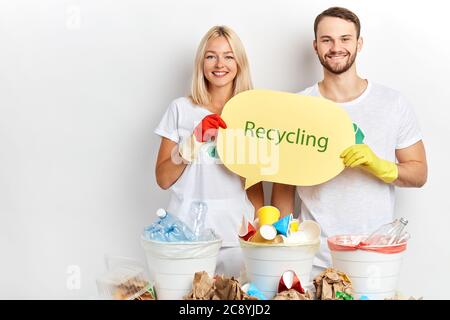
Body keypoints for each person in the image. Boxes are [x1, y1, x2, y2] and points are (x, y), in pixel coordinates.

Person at [272, 7, 428, 275]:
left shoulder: (392, 103)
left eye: (345, 39)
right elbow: (283, 187)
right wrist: (282, 246)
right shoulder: (297, 107)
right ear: (315, 46)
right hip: (313, 257)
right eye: (327, 40)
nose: (336, 47)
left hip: (375, 255)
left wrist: (382, 166)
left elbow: (419, 173)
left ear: (359, 43)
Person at [155, 26, 264, 277]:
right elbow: (163, 178)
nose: (219, 64)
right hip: (185, 234)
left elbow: (253, 183)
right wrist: (192, 143)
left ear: (239, 62)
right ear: (201, 62)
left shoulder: (252, 114)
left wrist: (261, 230)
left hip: (236, 234)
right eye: (211, 55)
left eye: (228, 56)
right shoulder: (181, 109)